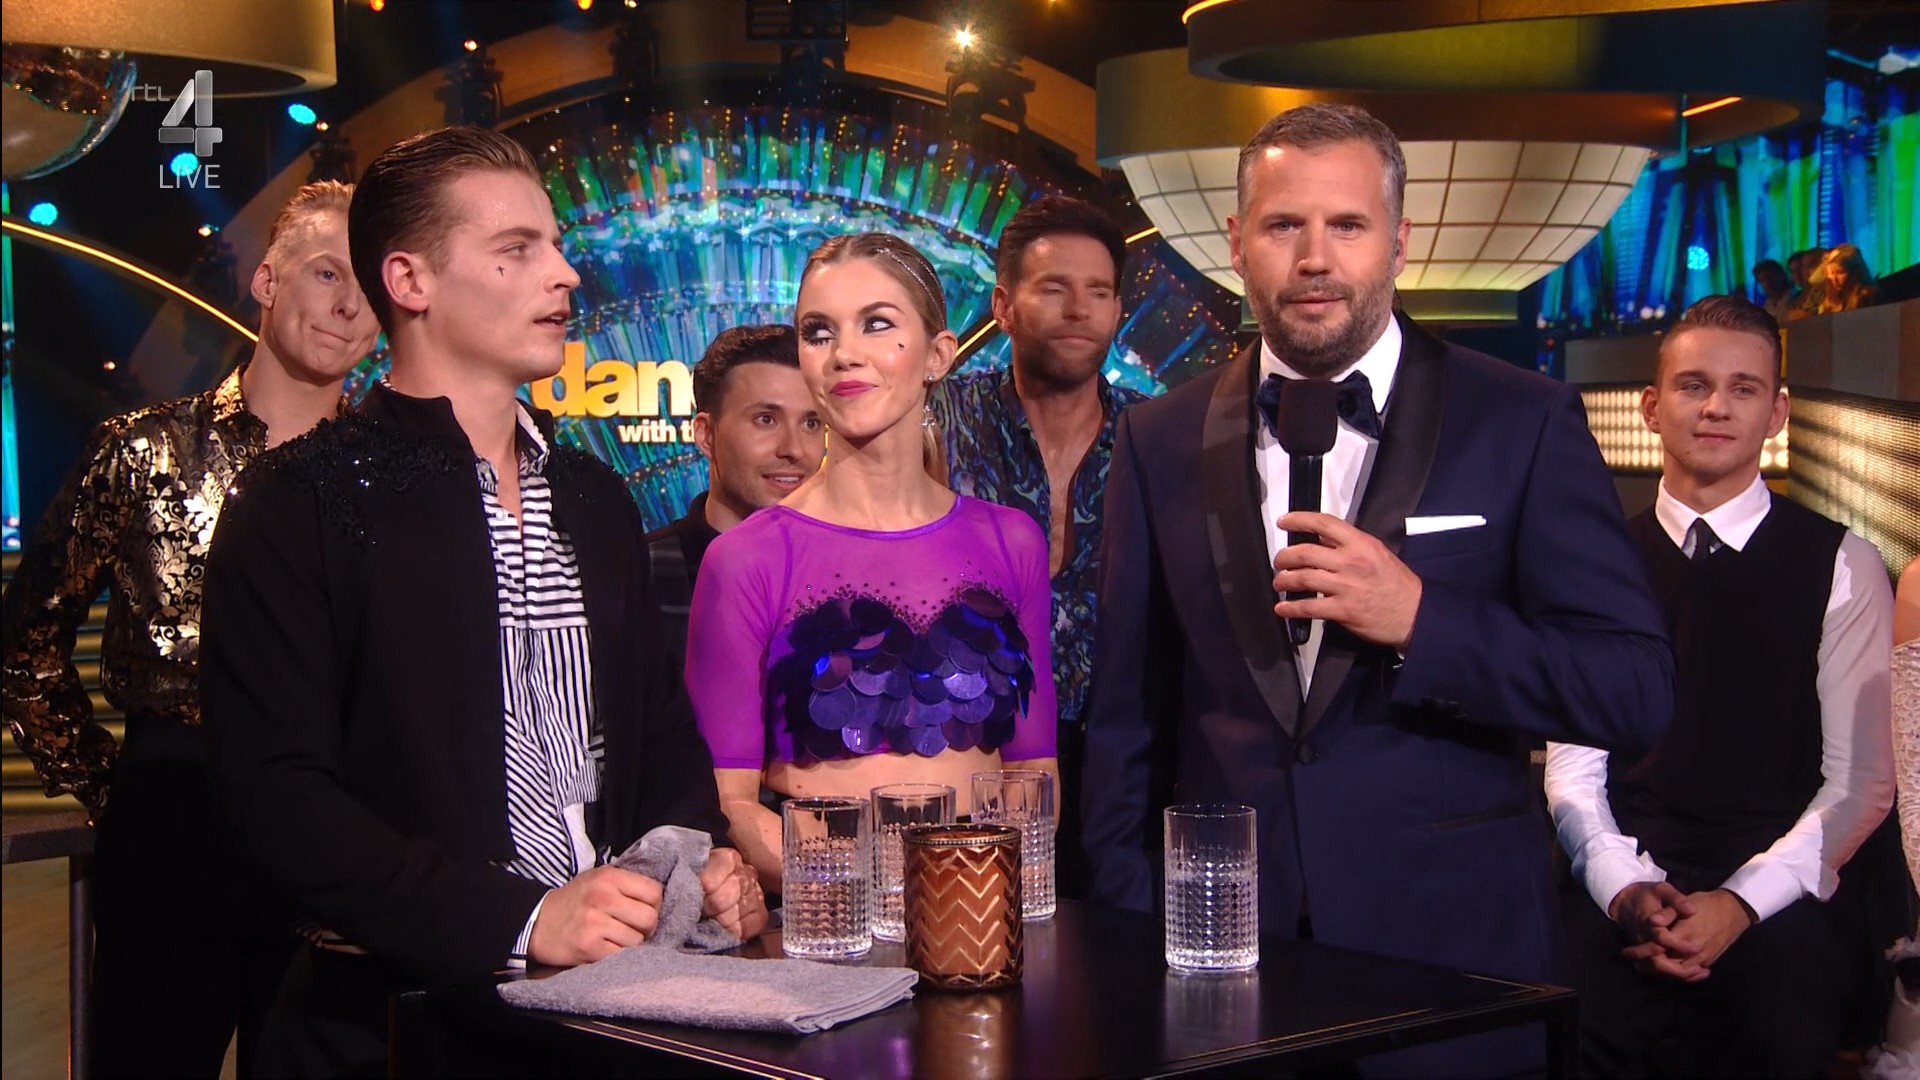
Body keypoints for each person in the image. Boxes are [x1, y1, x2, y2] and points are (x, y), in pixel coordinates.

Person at [1080, 102, 1673, 1074]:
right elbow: (1125, 721)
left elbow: (1632, 688)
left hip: (1454, 965)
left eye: (1347, 225)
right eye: (1285, 224)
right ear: (1237, 242)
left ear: (1399, 242)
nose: (1315, 258)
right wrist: (1129, 930)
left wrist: (1424, 622)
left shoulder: (1522, 419)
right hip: (1224, 975)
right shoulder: (1158, 437)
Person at [200, 127, 766, 1077]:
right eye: (517, 249)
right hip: (386, 1027)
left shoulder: (593, 497)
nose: (565, 274)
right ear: (410, 280)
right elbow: (278, 794)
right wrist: (524, 917)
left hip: (613, 1013)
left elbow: (659, 727)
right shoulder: (297, 500)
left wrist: (696, 860)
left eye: (555, 244)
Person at [0, 181, 377, 1080]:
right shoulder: (141, 450)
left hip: (340, 826)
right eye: (327, 273)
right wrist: (115, 788)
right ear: (266, 280)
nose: (348, 305)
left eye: (369, 285)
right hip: (171, 819)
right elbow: (24, 643)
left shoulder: (391, 477)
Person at [1546, 295, 1897, 1077]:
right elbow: (1573, 774)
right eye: (1693, 385)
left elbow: (1861, 784)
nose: (1716, 408)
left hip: (1782, 893)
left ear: (1777, 413)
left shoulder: (1843, 563)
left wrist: (1739, 903)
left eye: (1743, 389)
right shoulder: (1593, 567)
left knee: (1782, 1007)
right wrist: (1627, 890)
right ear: (1650, 407)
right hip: (1626, 882)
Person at [688, 232, 1059, 889]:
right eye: (819, 332)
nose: (844, 354)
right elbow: (730, 805)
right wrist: (863, 893)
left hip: (979, 917)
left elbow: (1034, 777)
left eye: (877, 324)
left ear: (938, 355)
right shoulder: (747, 559)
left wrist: (963, 904)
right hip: (825, 923)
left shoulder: (1011, 542)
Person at [931, 195, 1145, 900]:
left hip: (1126, 769)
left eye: (1099, 292)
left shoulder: (1156, 438)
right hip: (969, 756)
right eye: (1054, 288)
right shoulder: (941, 418)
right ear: (1004, 305)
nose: (1080, 309)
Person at [644, 324, 824, 657]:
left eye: (811, 423)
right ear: (706, 435)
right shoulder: (641, 574)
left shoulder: (846, 573)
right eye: (766, 419)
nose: (794, 449)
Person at [1814, 242, 1882, 314]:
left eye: (1840, 272)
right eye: (1832, 273)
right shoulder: (1835, 295)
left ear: (1855, 273)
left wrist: (1836, 307)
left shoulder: (1866, 296)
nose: (1834, 279)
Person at [1752, 258, 1795, 323]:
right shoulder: (1768, 304)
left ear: (1781, 275)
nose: (1767, 283)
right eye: (1762, 280)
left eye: (1770, 278)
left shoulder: (1794, 297)